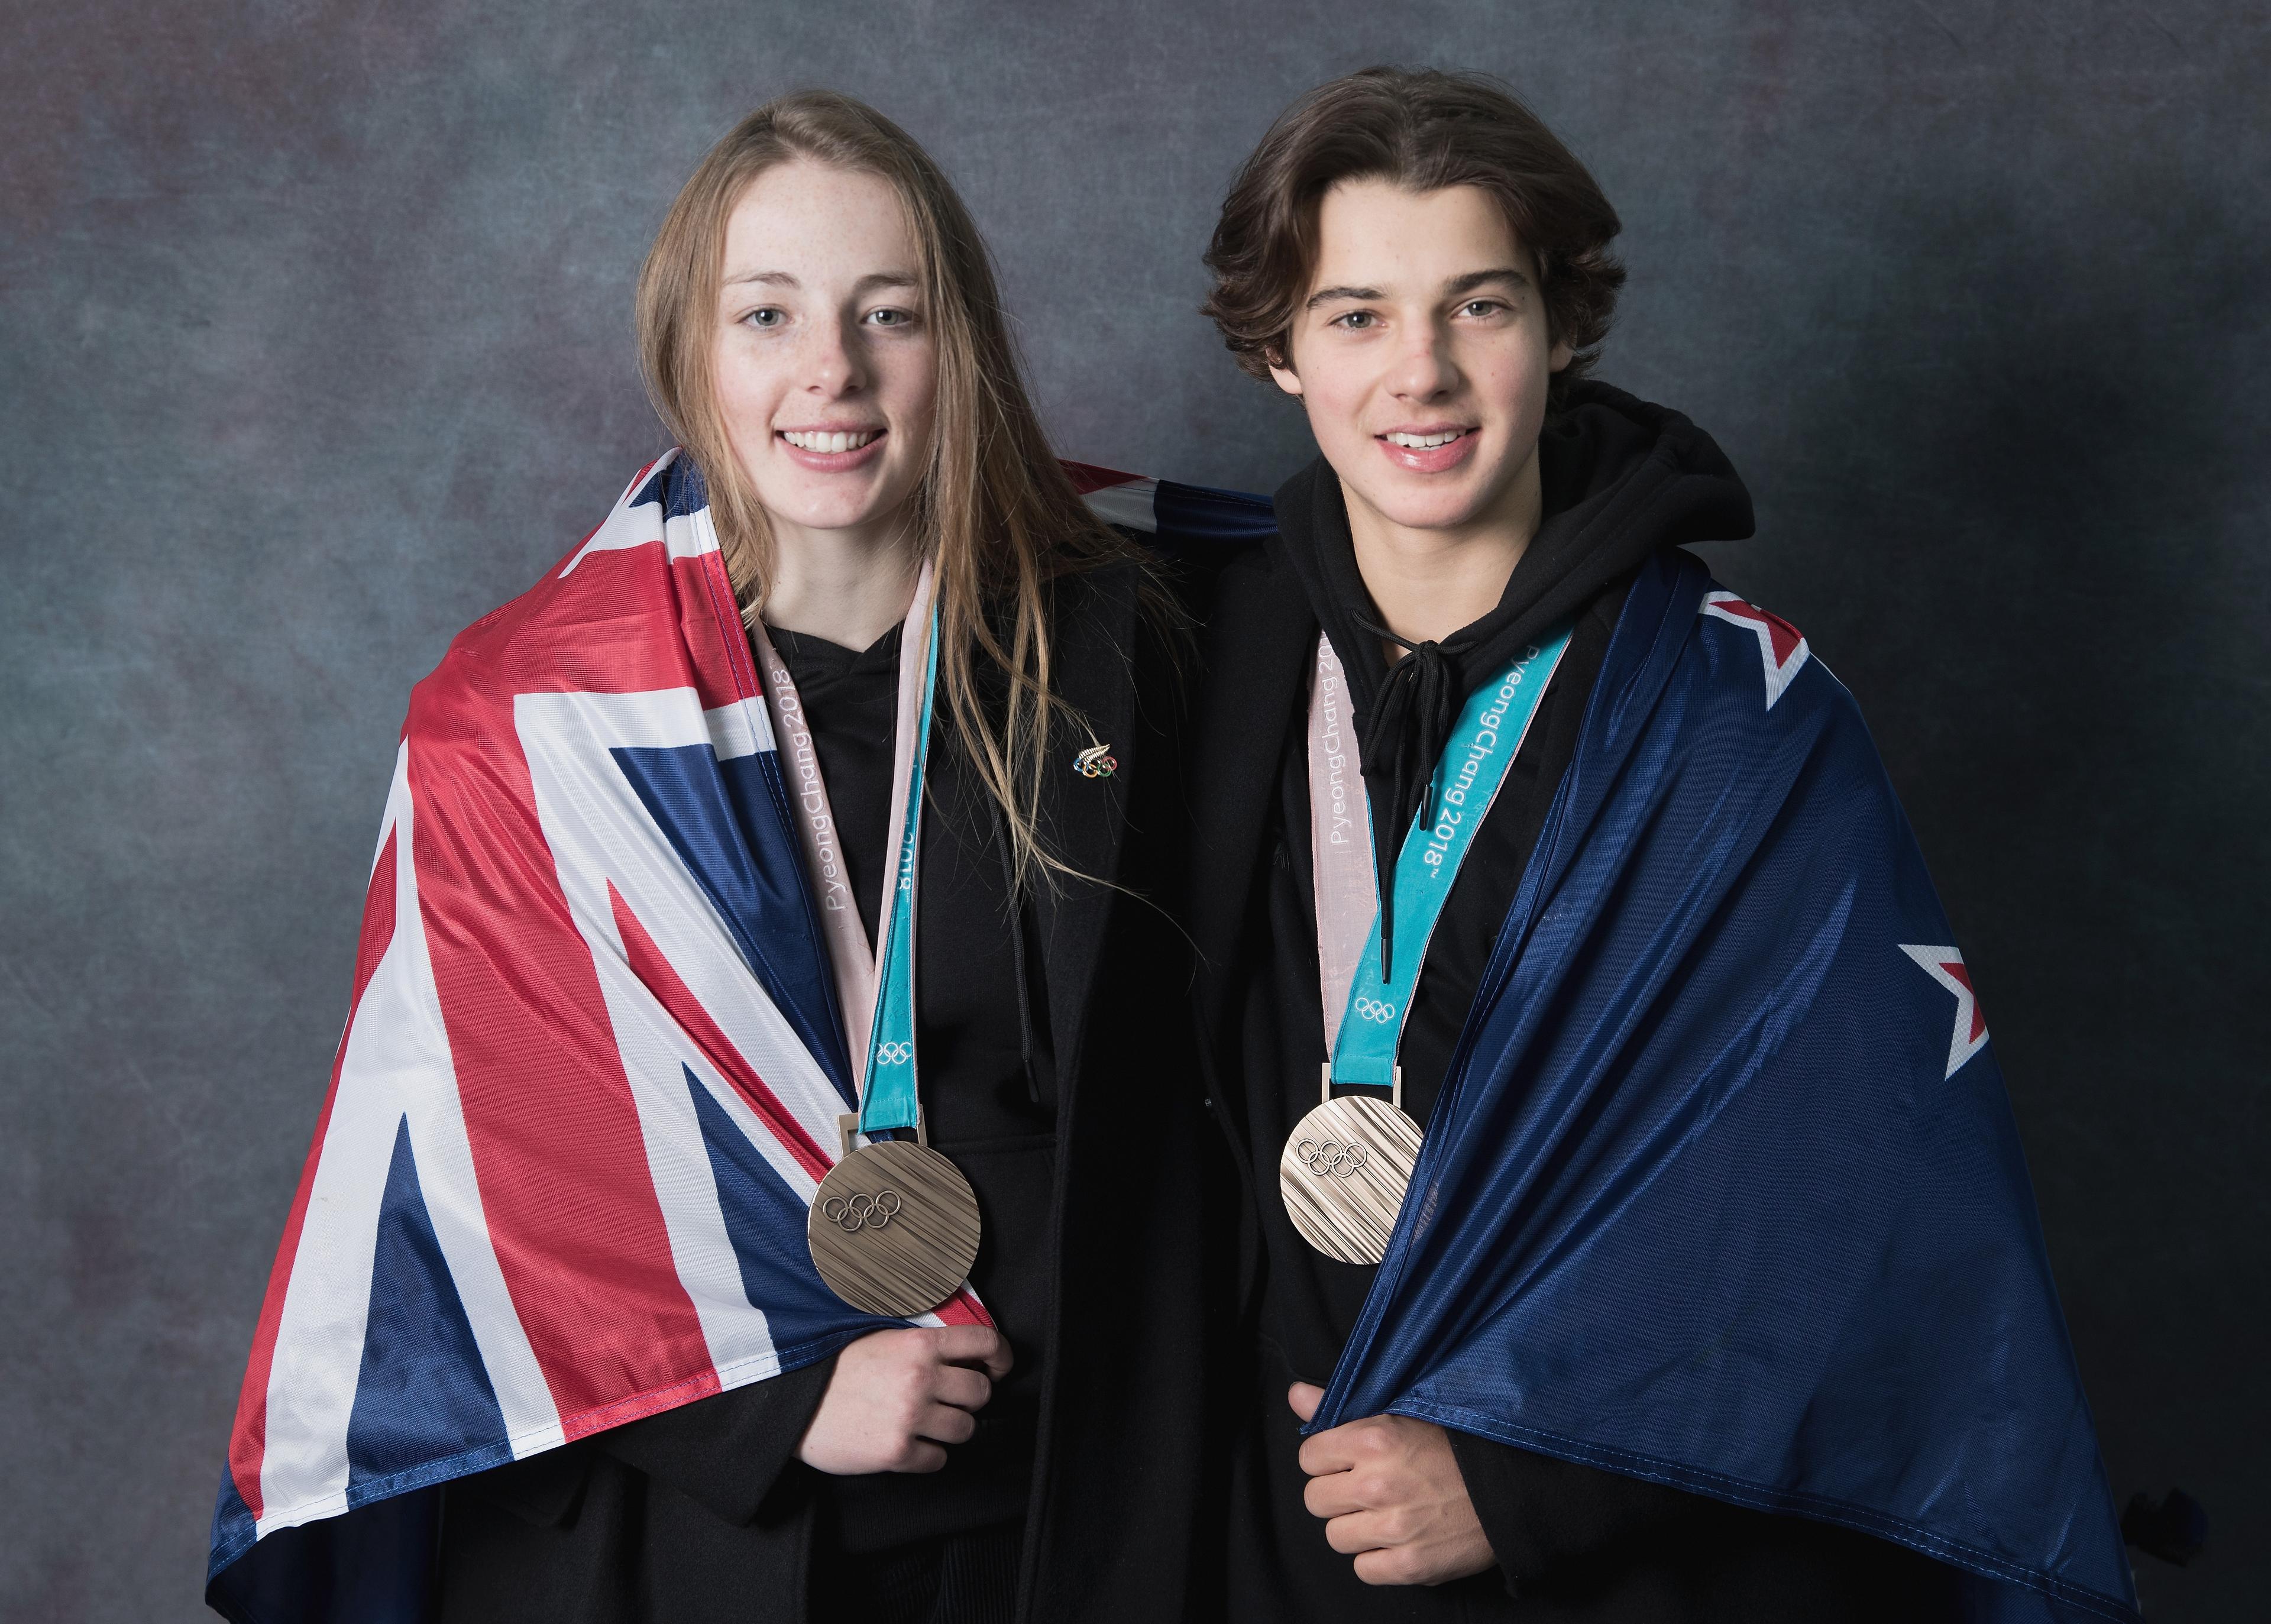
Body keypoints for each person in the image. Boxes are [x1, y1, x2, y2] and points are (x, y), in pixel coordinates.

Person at [206, 90, 1212, 1624]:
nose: (834, 370)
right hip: (701, 1538)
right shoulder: (524, 721)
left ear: (966, 347)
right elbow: (460, 1200)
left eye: (893, 312)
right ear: (693, 349)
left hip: (1062, 1518)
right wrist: (759, 1409)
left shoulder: (1131, 647)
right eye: (769, 314)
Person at [1182, 67, 2141, 1623]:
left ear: (1559, 326)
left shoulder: (1736, 709)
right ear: (1279, 349)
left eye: (1476, 307)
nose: (1418, 374)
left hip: (1607, 1552)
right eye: (1356, 315)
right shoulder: (1201, 665)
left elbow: (1854, 1198)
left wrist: (1528, 1477)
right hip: (1258, 1537)